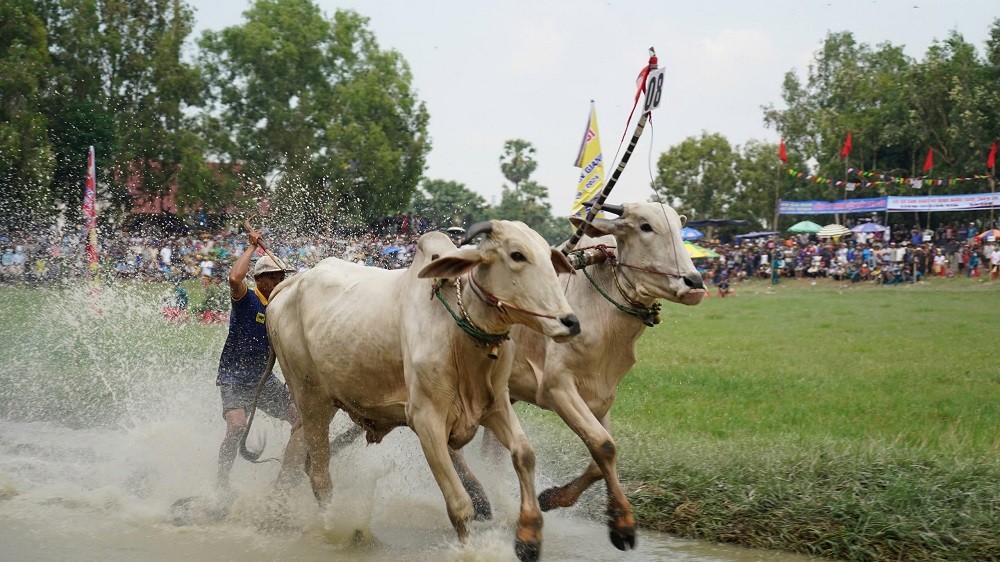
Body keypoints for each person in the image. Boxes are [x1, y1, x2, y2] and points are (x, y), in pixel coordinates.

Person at [215, 229, 298, 491]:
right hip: (234, 376)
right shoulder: (247, 298)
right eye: (270, 277)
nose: (276, 282)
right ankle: (221, 482)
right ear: (259, 279)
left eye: (279, 277)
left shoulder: (281, 308)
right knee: (237, 426)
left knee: (300, 421)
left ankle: (286, 480)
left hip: (262, 378)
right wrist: (251, 248)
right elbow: (233, 277)